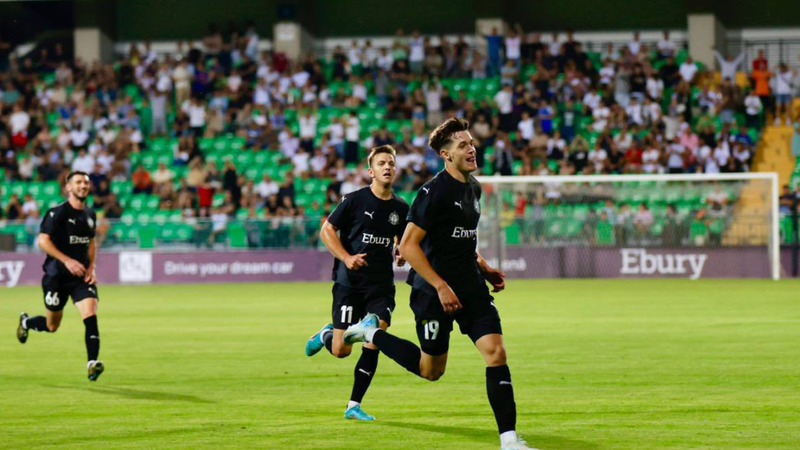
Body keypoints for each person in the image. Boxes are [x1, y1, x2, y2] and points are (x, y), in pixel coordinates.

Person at [343, 118, 536, 450]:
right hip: (432, 292)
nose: (471, 149)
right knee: (431, 370)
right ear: (446, 155)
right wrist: (440, 285)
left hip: (470, 286)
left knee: (496, 353)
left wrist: (485, 268)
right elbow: (408, 246)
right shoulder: (433, 192)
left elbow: (462, 240)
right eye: (463, 145)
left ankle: (509, 441)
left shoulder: (474, 188)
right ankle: (371, 334)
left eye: (471, 143)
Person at [304, 145, 410, 421]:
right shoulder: (354, 200)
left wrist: (400, 252)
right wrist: (347, 257)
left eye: (391, 163)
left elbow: (401, 239)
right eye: (381, 163)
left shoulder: (401, 208)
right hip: (349, 283)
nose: (387, 167)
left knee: (375, 337)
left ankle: (354, 405)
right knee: (341, 351)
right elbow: (327, 230)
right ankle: (326, 335)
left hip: (380, 285)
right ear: (370, 171)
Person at [16, 171, 105, 381]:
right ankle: (26, 322)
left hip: (80, 277)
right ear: (68, 187)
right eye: (78, 182)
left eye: (86, 182)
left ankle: (92, 363)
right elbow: (43, 241)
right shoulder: (57, 213)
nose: (83, 185)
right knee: (52, 326)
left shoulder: (90, 214)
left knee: (90, 313)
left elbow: (91, 242)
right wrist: (66, 260)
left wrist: (91, 268)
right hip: (56, 277)